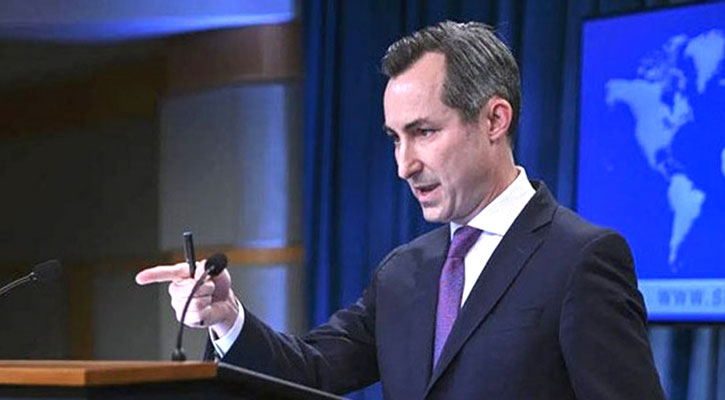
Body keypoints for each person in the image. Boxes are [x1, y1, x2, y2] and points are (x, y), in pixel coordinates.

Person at [136, 21, 665, 399]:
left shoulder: (582, 259)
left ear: (495, 120)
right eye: (395, 138)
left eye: (424, 132)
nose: (404, 165)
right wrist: (227, 318)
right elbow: (311, 371)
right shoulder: (404, 272)